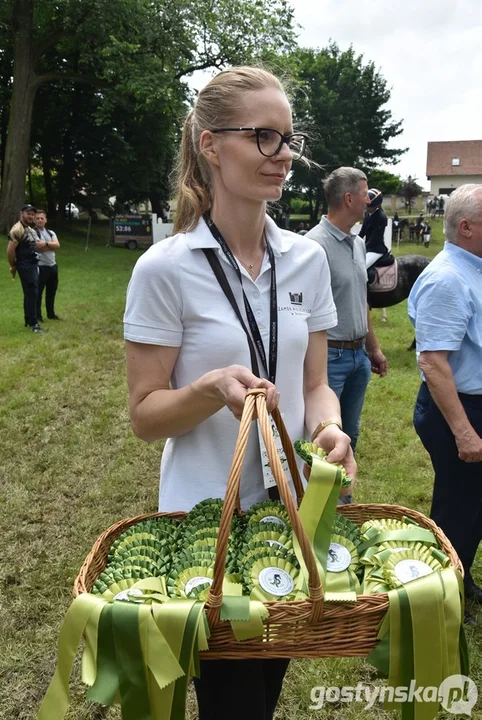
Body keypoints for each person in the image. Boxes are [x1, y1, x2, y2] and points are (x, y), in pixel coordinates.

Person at [123, 67, 355, 720]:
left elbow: (313, 385)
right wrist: (205, 388)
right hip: (205, 528)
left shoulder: (307, 261)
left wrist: (330, 430)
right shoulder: (164, 269)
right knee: (232, 702)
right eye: (264, 137)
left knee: (266, 690)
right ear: (209, 144)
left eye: (289, 138)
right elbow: (145, 417)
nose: (285, 156)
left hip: (287, 521)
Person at [408, 184, 482, 625]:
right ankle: (440, 599)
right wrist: (464, 431)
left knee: (475, 503)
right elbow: (433, 363)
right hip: (458, 410)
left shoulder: (472, 268)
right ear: (468, 226)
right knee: (456, 505)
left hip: (472, 403)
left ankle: (462, 577)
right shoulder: (447, 278)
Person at [306, 168, 388, 461]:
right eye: (366, 194)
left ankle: (343, 504)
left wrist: (373, 348)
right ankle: (318, 504)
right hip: (329, 359)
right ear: (350, 198)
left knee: (349, 436)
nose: (369, 201)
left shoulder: (359, 243)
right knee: (323, 441)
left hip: (358, 359)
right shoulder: (314, 246)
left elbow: (360, 299)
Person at [6, 204, 43, 333]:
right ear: (21, 213)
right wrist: (13, 265)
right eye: (28, 214)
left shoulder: (30, 229)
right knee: (32, 293)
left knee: (30, 294)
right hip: (25, 266)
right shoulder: (17, 230)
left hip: (33, 265)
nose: (31, 216)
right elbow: (10, 251)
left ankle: (28, 320)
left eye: (33, 214)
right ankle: (34, 324)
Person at [359, 188, 394, 281]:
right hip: (368, 247)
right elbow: (362, 233)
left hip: (376, 250)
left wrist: (360, 248)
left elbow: (374, 240)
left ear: (376, 205)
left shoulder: (381, 217)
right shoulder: (367, 214)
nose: (366, 207)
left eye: (368, 206)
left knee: (360, 269)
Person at [34, 210, 61, 321]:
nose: (40, 220)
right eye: (37, 218)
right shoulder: (33, 232)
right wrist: (51, 245)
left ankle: (51, 314)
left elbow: (57, 245)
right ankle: (38, 316)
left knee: (51, 291)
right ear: (34, 220)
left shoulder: (51, 232)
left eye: (42, 218)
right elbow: (37, 248)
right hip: (41, 266)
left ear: (45, 220)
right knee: (38, 292)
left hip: (53, 266)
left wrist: (45, 244)